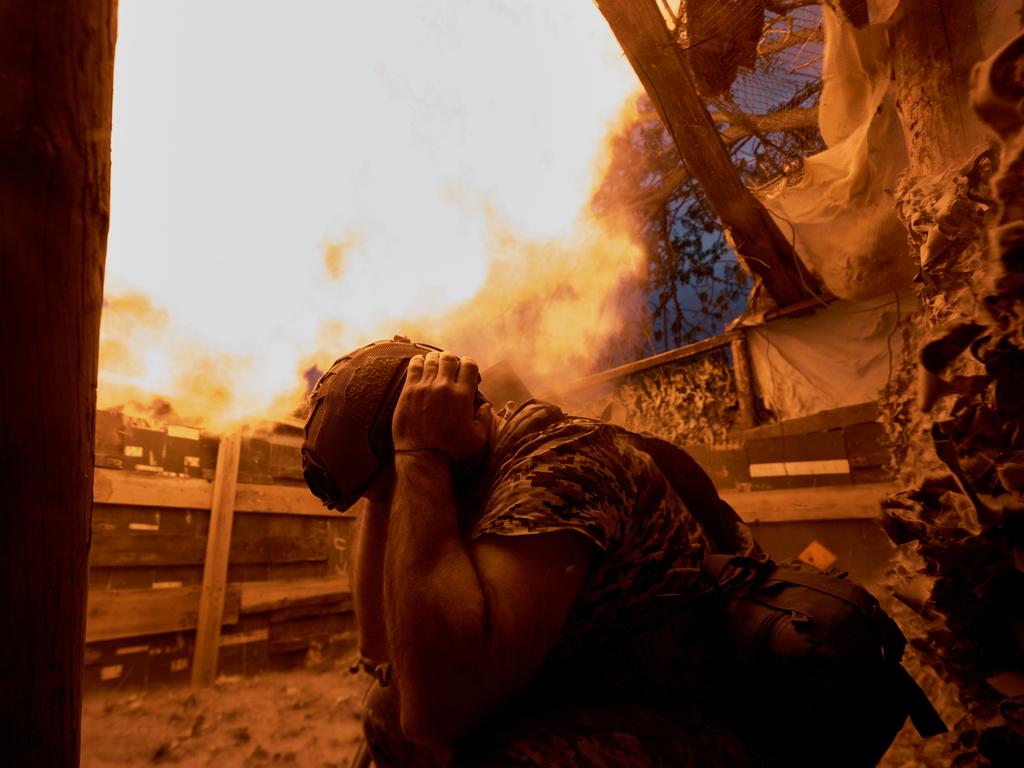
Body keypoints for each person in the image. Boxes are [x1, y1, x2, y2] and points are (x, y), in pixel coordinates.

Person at [301, 337, 763, 766]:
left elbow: (440, 712)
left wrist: (418, 459)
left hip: (693, 718)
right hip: (586, 696)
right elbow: (382, 649)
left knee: (503, 757)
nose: (398, 503)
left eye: (391, 492)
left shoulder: (564, 461)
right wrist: (391, 487)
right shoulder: (461, 476)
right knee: (388, 711)